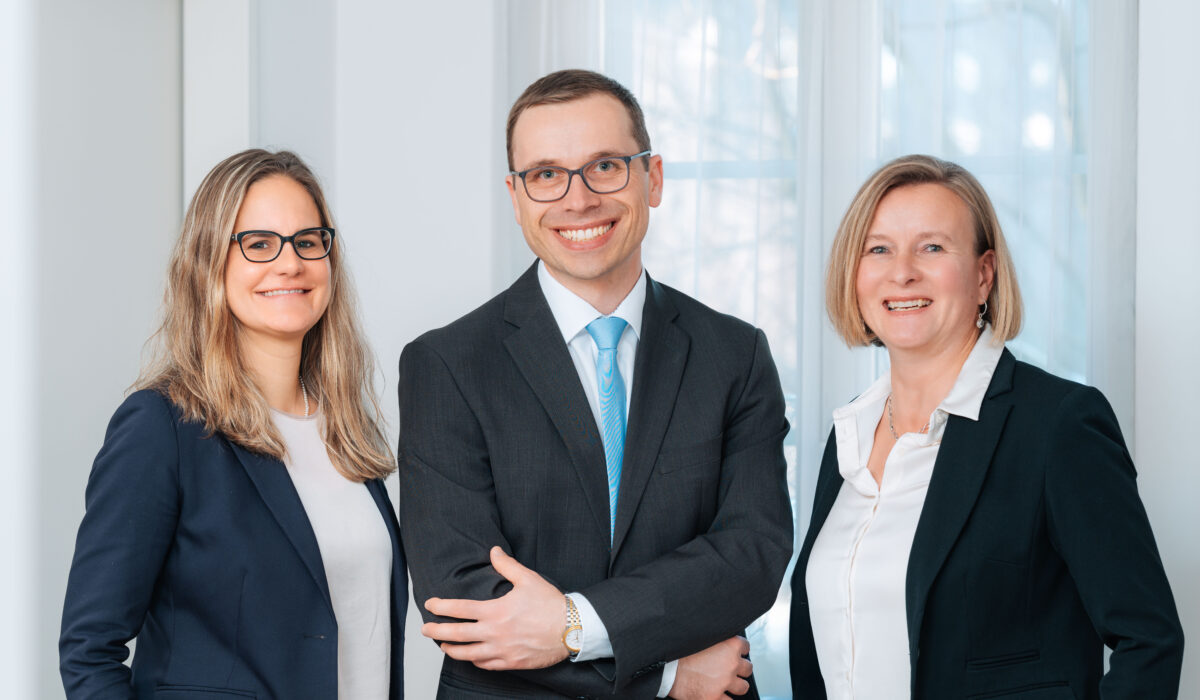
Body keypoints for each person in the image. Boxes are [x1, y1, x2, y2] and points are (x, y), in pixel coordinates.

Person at [397, 69, 793, 699]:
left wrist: (575, 625)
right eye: (546, 175)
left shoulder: (733, 355)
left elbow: (752, 555)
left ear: (652, 178)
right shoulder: (446, 364)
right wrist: (663, 676)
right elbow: (462, 599)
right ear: (516, 195)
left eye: (605, 166)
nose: (578, 199)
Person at [789, 154, 1184, 699]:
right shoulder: (851, 435)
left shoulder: (1057, 426)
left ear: (983, 275)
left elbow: (1150, 640)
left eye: (932, 247)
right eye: (878, 249)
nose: (902, 271)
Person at [59, 149, 406, 699]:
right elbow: (89, 650)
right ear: (209, 263)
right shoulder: (163, 427)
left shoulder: (346, 431)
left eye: (308, 241)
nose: (290, 263)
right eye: (259, 244)